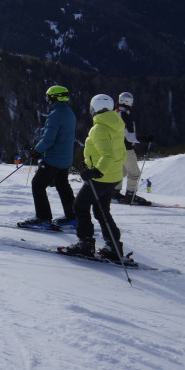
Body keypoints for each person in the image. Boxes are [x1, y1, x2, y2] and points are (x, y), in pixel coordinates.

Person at [64, 94, 127, 261]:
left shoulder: (99, 128)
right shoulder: (117, 124)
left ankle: (85, 244)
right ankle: (114, 247)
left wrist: (96, 171)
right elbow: (118, 152)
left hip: (101, 177)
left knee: (79, 206)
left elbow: (108, 154)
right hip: (114, 175)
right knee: (101, 211)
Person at [19, 85, 77, 230]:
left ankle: (43, 218)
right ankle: (73, 217)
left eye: (49, 97)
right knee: (63, 186)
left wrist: (36, 150)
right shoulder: (69, 112)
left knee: (38, 184)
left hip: (53, 158)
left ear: (54, 98)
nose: (48, 100)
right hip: (65, 158)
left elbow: (48, 139)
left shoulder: (55, 115)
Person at [112, 92, 151, 206]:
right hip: (126, 149)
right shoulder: (125, 116)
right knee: (134, 173)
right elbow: (129, 136)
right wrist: (145, 139)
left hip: (115, 148)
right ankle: (130, 196)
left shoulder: (114, 113)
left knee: (121, 171)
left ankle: (114, 192)